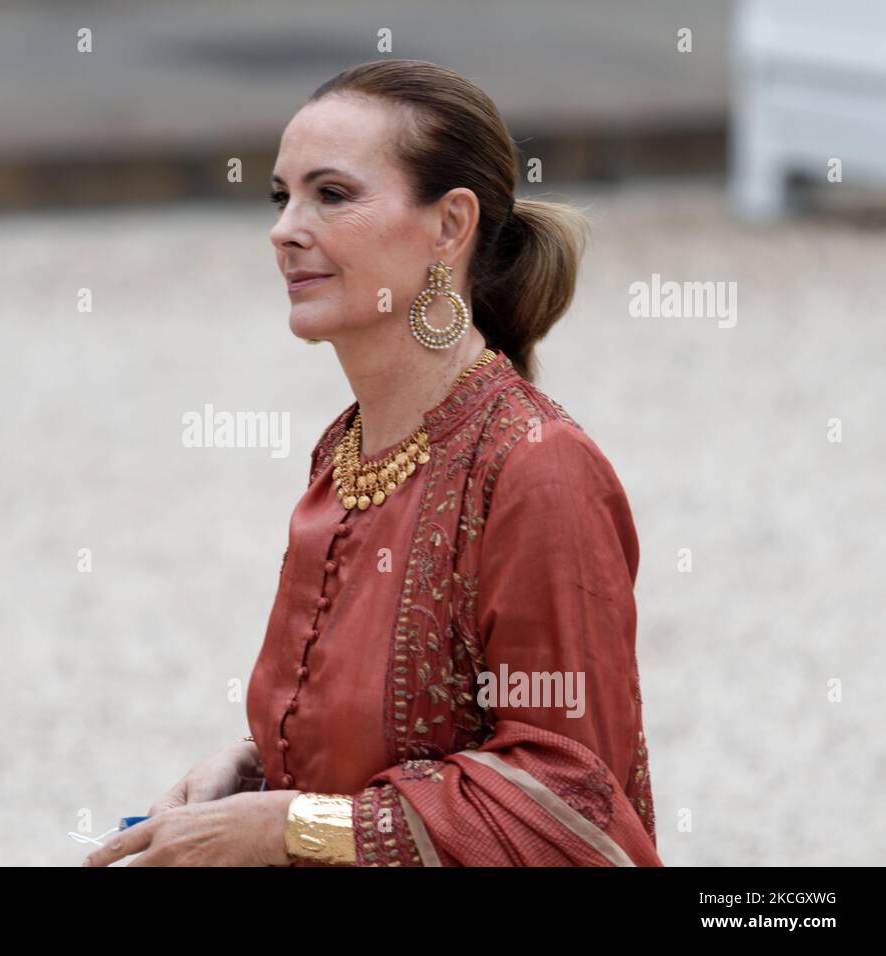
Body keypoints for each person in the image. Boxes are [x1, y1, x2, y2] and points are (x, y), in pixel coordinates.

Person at [83, 58, 660, 867]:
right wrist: (245, 774)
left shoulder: (537, 471)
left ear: (450, 226)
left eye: (333, 194)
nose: (285, 229)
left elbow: (571, 807)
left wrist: (291, 828)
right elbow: (374, 741)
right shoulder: (346, 449)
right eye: (280, 196)